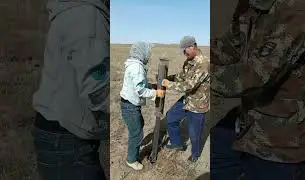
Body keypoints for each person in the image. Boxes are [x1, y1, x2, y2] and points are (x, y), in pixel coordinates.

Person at [211, 0, 305, 179]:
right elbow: (231, 45)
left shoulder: (301, 9)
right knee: (220, 145)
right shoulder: (252, 3)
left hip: (281, 138)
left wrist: (199, 79)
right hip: (251, 115)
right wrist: (198, 59)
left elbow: (255, 75)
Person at [32, 0, 109, 179]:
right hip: (68, 140)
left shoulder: (73, 9)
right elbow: (96, 87)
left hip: (56, 130)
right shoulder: (89, 15)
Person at [162, 36, 210, 162]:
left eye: (185, 50)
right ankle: (177, 144)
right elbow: (182, 77)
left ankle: (195, 155)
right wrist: (169, 77)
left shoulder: (203, 64)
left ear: (192, 47)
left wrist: (168, 84)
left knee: (194, 133)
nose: (184, 54)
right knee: (171, 117)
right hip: (187, 100)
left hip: (198, 104)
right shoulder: (189, 61)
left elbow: (189, 86)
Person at [120, 42, 165, 171]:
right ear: (142, 52)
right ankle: (132, 160)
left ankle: (134, 147)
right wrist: (156, 93)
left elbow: (139, 84)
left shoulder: (134, 64)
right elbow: (139, 90)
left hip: (129, 104)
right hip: (130, 106)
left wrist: (150, 86)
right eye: (148, 53)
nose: (149, 56)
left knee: (139, 126)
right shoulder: (137, 67)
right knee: (136, 134)